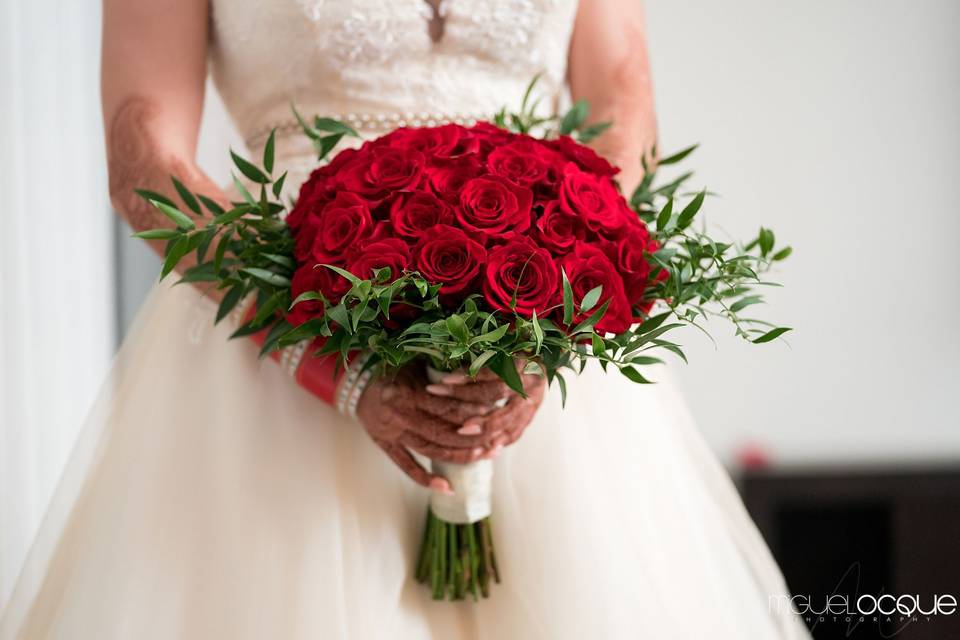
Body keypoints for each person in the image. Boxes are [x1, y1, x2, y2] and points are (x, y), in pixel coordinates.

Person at [0, 1, 810, 637]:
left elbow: (623, 99)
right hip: (281, 331)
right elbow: (144, 160)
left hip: (533, 320)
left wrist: (553, 334)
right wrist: (328, 361)